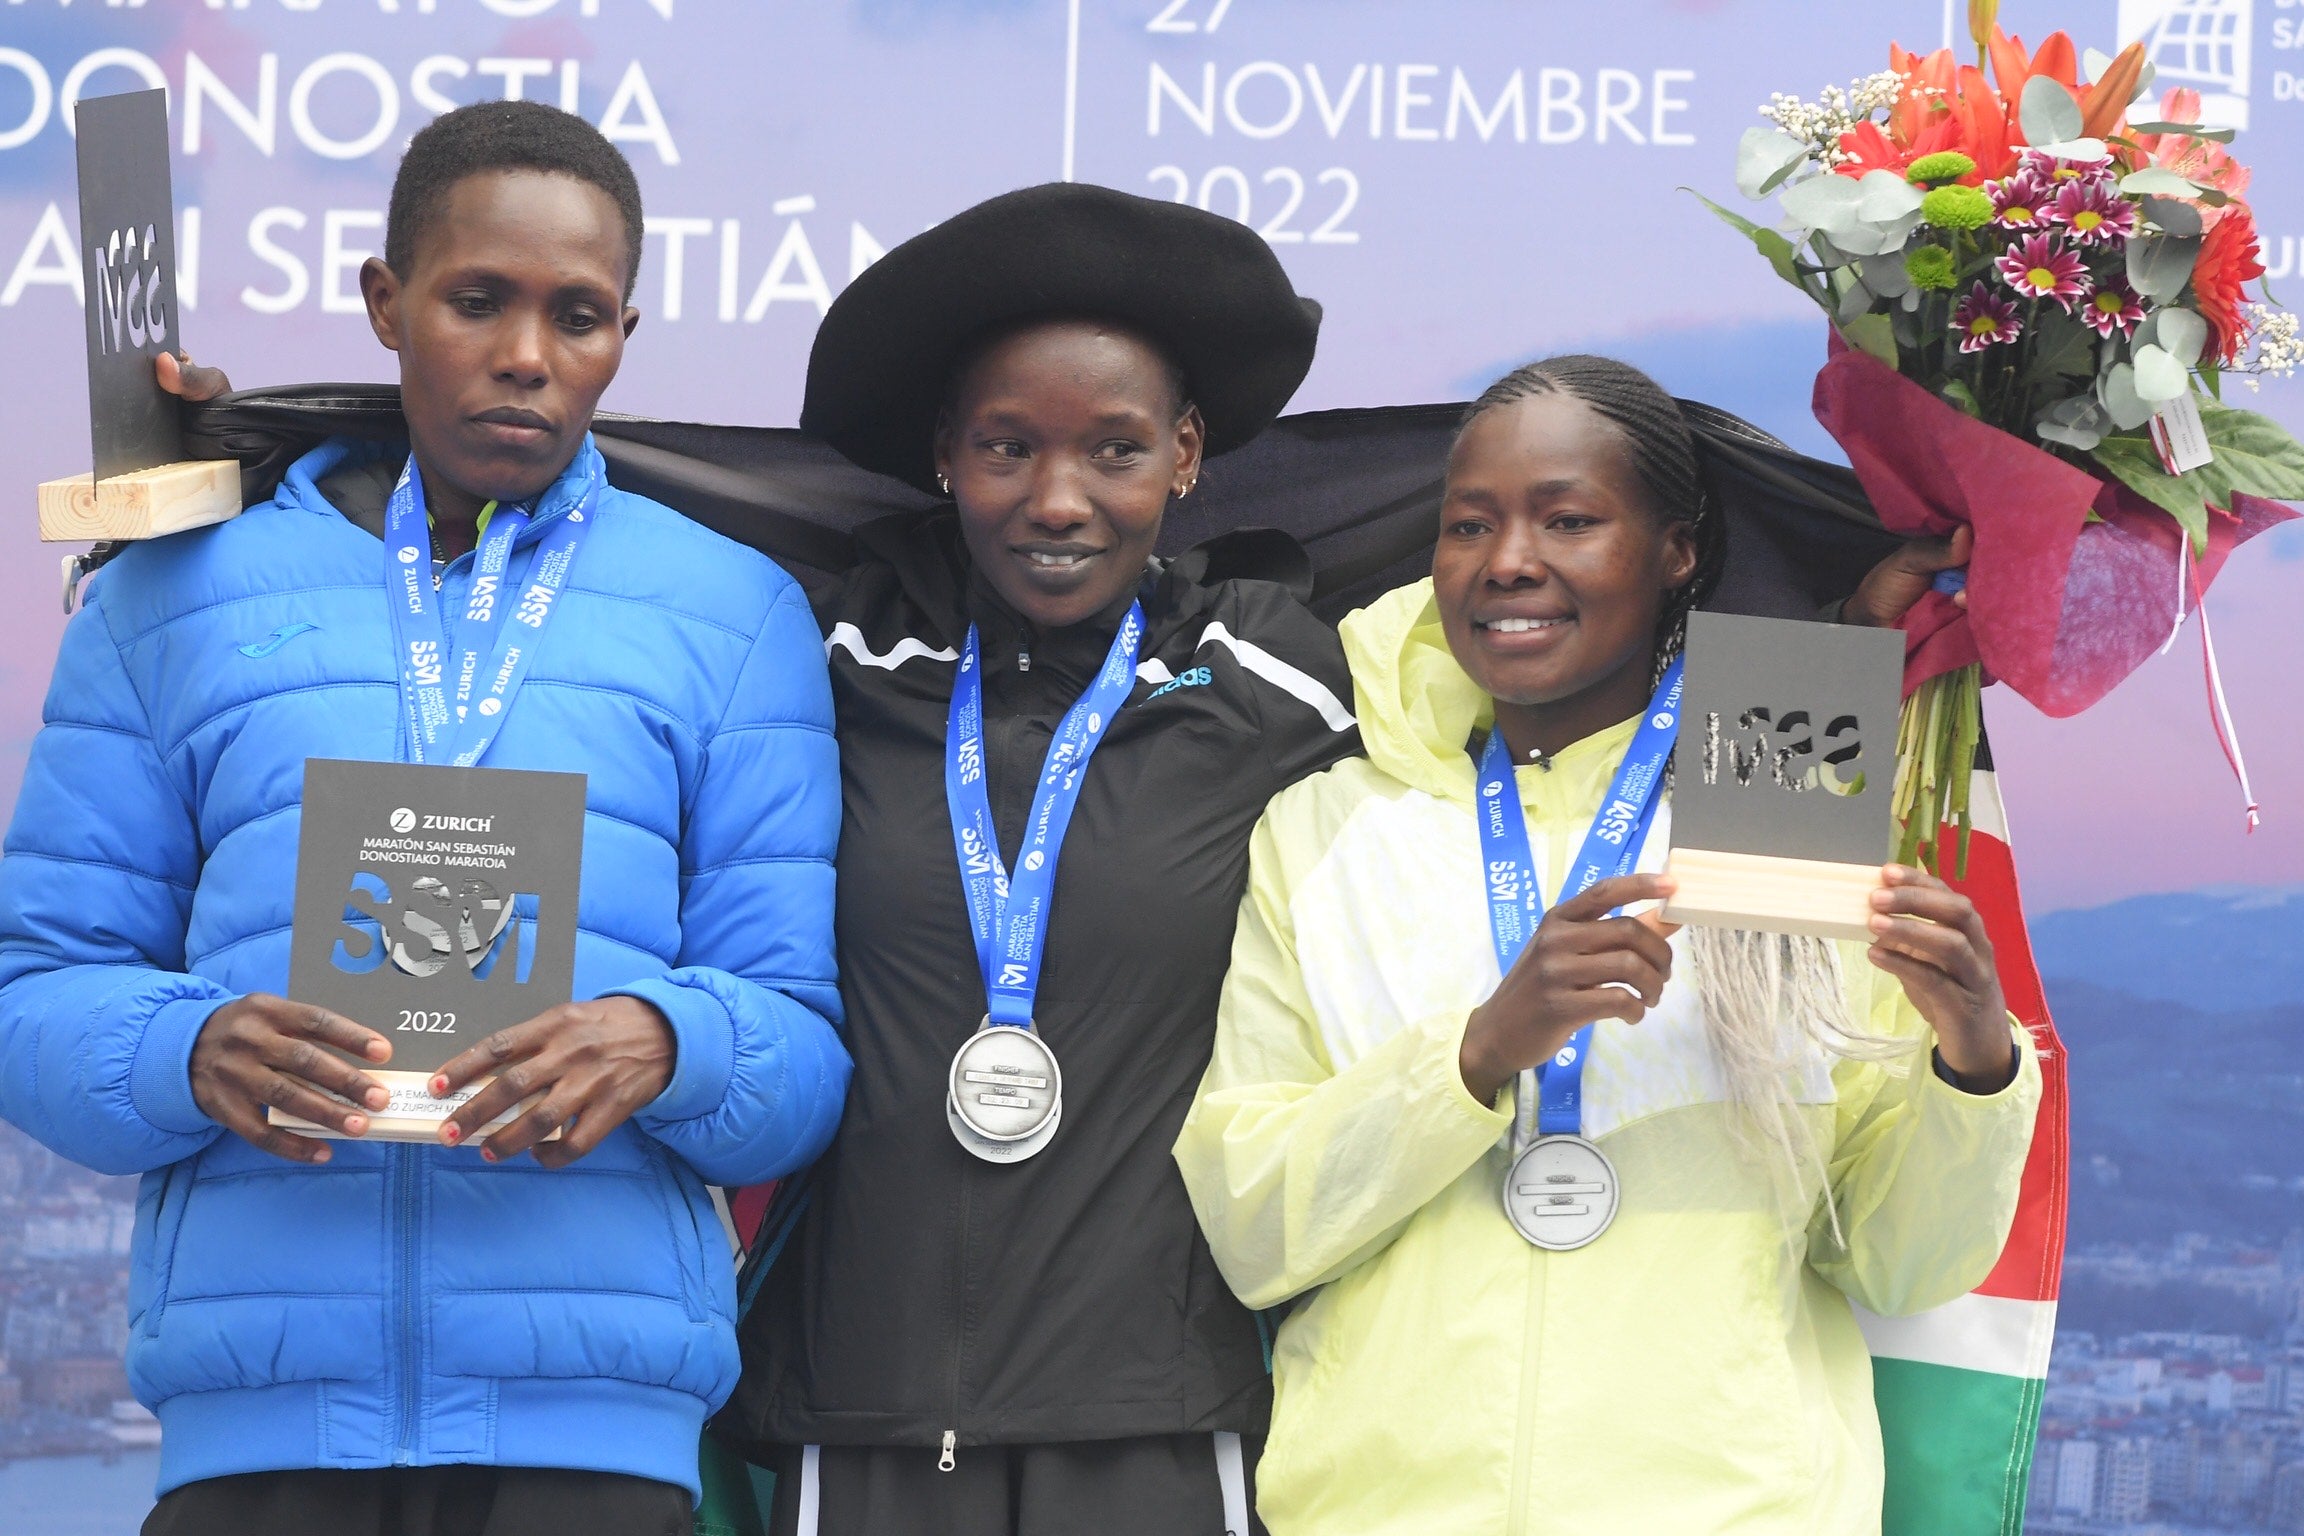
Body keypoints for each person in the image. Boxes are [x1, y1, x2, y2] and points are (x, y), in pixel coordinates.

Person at [0, 101, 849, 1536]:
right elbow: (34, 993)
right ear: (386, 306)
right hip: (259, 1427)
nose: (528, 354)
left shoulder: (735, 612)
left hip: (599, 1434)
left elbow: (804, 1054)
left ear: (624, 336)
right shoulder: (170, 597)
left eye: (578, 315)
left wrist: (670, 1041)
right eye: (479, 300)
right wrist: (183, 1046)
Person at [1172, 355, 2042, 1534]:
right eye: (1469, 523)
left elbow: (1896, 1263)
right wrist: (1477, 1056)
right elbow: (1252, 1225)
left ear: (1677, 549)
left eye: (1569, 519)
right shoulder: (1327, 826)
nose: (1508, 558)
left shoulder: (1776, 783)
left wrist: (1973, 1067)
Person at [709, 182, 1349, 1536]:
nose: (1057, 501)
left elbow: (1545, 647)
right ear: (944, 452)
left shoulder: (1275, 671)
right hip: (866, 1404)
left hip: (1161, 1413)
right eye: (1008, 448)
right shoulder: (824, 656)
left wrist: (1875, 592)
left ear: (1185, 457)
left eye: (1113, 452)